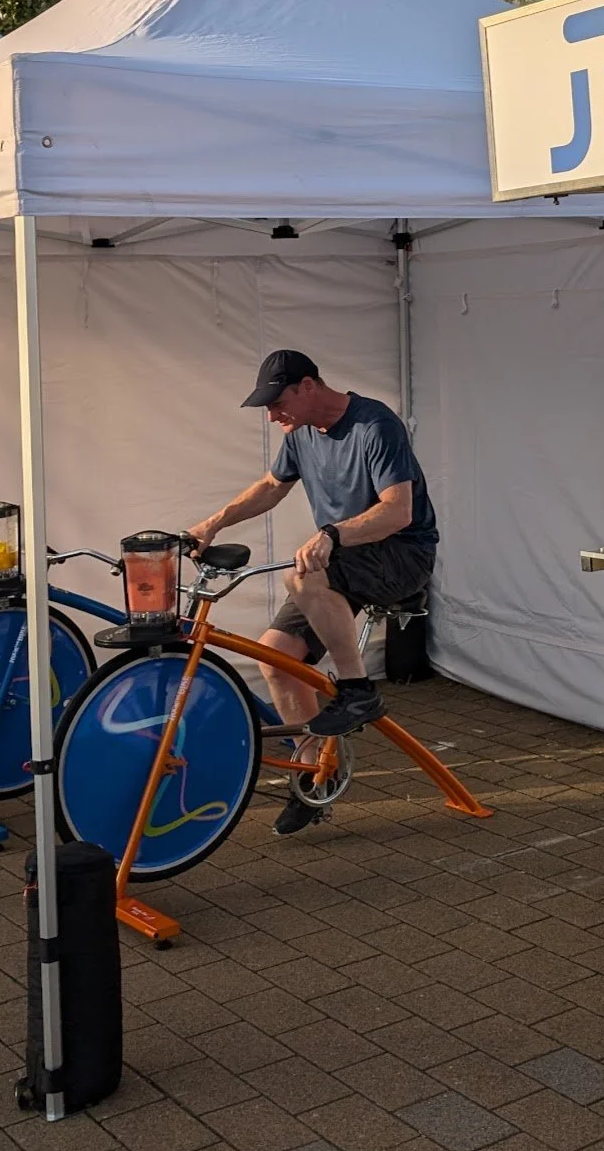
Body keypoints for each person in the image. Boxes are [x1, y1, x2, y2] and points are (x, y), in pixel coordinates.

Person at [188, 350, 438, 836]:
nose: (272, 415)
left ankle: (357, 691)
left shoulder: (375, 426)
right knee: (275, 655)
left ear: (308, 387)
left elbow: (398, 512)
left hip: (402, 555)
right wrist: (212, 524)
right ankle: (316, 776)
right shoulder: (300, 433)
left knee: (301, 575)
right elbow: (269, 487)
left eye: (277, 402)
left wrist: (332, 535)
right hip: (346, 559)